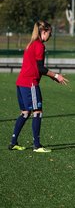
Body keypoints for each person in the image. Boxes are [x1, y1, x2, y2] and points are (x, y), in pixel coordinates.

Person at [8, 20, 69, 153]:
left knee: (25, 113)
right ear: (43, 31)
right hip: (30, 84)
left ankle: (13, 142)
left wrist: (51, 76)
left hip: (21, 83)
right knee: (37, 112)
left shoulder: (31, 44)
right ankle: (37, 146)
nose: (50, 36)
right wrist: (56, 76)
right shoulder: (39, 45)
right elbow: (40, 68)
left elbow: (36, 68)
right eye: (50, 33)